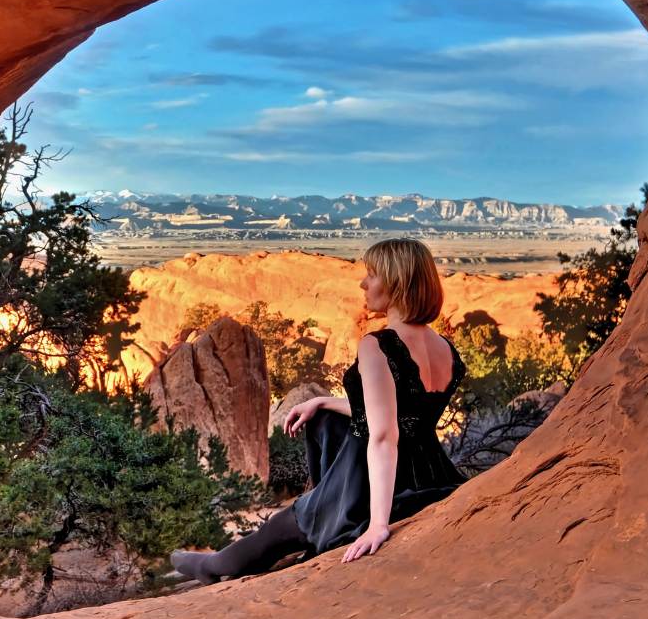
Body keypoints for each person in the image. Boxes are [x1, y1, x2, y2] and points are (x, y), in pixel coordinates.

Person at [170, 237, 468, 583]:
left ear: (397, 282)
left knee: (289, 523)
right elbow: (402, 413)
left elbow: (385, 435)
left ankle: (212, 566)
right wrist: (323, 401)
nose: (363, 283)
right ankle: (236, 553)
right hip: (433, 476)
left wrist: (377, 526)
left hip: (373, 483)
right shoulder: (445, 348)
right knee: (324, 421)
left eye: (372, 274)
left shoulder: (378, 345)